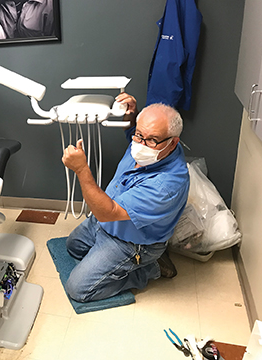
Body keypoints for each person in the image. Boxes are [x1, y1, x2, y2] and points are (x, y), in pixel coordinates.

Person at [61, 93, 189, 303]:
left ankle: (150, 269)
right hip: (106, 220)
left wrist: (82, 169)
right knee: (73, 246)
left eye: (152, 140)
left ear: (173, 143)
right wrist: (132, 115)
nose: (141, 145)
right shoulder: (154, 144)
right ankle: (107, 259)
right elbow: (137, 131)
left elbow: (107, 212)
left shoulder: (165, 185)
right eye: (139, 135)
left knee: (78, 290)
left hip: (132, 242)